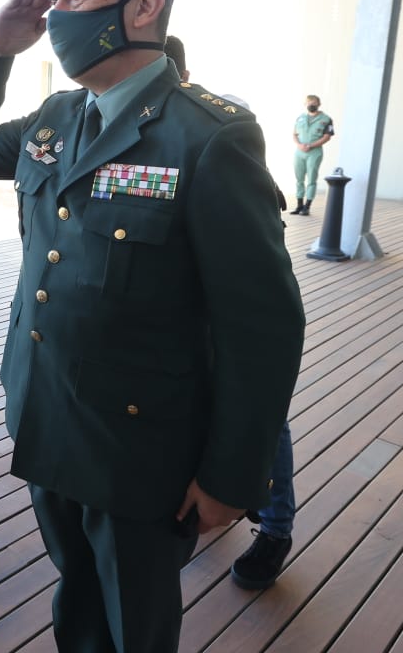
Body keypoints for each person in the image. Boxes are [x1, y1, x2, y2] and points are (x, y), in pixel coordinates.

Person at [0, 0, 305, 652]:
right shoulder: (57, 118)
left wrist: (234, 475)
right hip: (49, 416)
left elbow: (261, 325)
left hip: (141, 445)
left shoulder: (207, 136)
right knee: (75, 593)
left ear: (145, 4)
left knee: (134, 620)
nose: (58, 12)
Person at [165, 37, 298, 591]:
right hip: (175, 325)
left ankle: (275, 527)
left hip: (224, 314)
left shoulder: (216, 128)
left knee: (260, 417)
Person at [291, 94, 334, 215]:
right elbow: (294, 134)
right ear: (305, 104)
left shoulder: (326, 119)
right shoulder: (300, 118)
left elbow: (327, 136)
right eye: (309, 103)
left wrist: (311, 146)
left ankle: (307, 206)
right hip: (299, 151)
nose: (311, 105)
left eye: (314, 103)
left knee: (311, 179)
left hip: (314, 152)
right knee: (299, 179)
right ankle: (299, 205)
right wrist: (299, 145)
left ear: (319, 104)